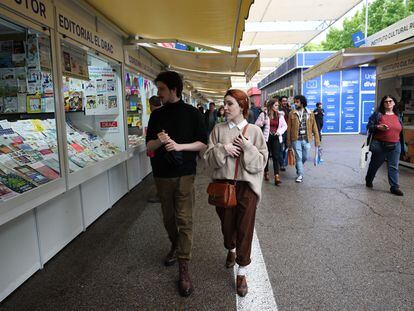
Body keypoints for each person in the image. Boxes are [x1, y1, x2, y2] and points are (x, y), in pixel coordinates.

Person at [146, 71, 208, 297]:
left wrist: (179, 146)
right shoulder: (156, 115)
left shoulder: (192, 114)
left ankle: (184, 267)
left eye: (162, 89)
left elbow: (202, 144)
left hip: (185, 174)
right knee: (169, 219)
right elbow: (148, 147)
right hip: (161, 175)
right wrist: (159, 141)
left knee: (184, 219)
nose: (158, 93)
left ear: (174, 89)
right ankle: (175, 244)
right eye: (158, 89)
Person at [204, 89, 268, 297]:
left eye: (230, 104)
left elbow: (261, 163)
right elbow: (207, 158)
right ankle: (230, 249)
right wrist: (223, 148)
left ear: (242, 106)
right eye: (224, 104)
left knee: (245, 229)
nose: (225, 108)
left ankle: (242, 271)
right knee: (227, 227)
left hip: (247, 187)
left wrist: (248, 147)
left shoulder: (255, 132)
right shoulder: (218, 130)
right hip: (223, 186)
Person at [365, 95, 405, 196]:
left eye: (390, 101)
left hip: (395, 144)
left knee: (393, 166)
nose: (388, 103)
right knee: (375, 165)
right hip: (379, 145)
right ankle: (369, 179)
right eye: (386, 102)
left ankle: (394, 187)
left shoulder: (398, 115)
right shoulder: (378, 115)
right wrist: (378, 127)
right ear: (383, 104)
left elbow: (400, 130)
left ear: (394, 103)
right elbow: (369, 126)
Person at [287, 95, 320, 183]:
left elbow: (315, 128)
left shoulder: (310, 113)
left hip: (306, 139)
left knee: (304, 157)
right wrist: (288, 142)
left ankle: (298, 167)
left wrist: (317, 140)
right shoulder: (292, 113)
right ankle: (300, 174)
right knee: (298, 157)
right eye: (295, 102)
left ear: (302, 102)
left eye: (297, 102)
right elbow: (289, 128)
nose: (295, 103)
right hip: (295, 139)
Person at [258, 98, 287, 185]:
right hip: (266, 138)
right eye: (276, 105)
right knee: (266, 156)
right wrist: (262, 123)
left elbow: (285, 126)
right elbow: (256, 125)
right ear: (271, 106)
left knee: (276, 156)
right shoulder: (264, 114)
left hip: (276, 137)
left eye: (278, 105)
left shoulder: (280, 115)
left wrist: (279, 132)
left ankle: (276, 176)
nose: (277, 107)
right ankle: (266, 172)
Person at [147, 95, 162, 203]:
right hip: (161, 147)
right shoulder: (163, 113)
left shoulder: (154, 115)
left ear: (151, 105)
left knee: (157, 172)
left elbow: (152, 134)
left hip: (156, 148)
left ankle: (160, 194)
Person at [279, 96, 291, 171]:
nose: (285, 102)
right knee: (280, 147)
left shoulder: (289, 110)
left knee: (286, 147)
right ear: (280, 102)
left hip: (288, 131)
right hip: (280, 131)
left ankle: (283, 161)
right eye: (283, 101)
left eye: (286, 101)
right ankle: (281, 164)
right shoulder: (278, 110)